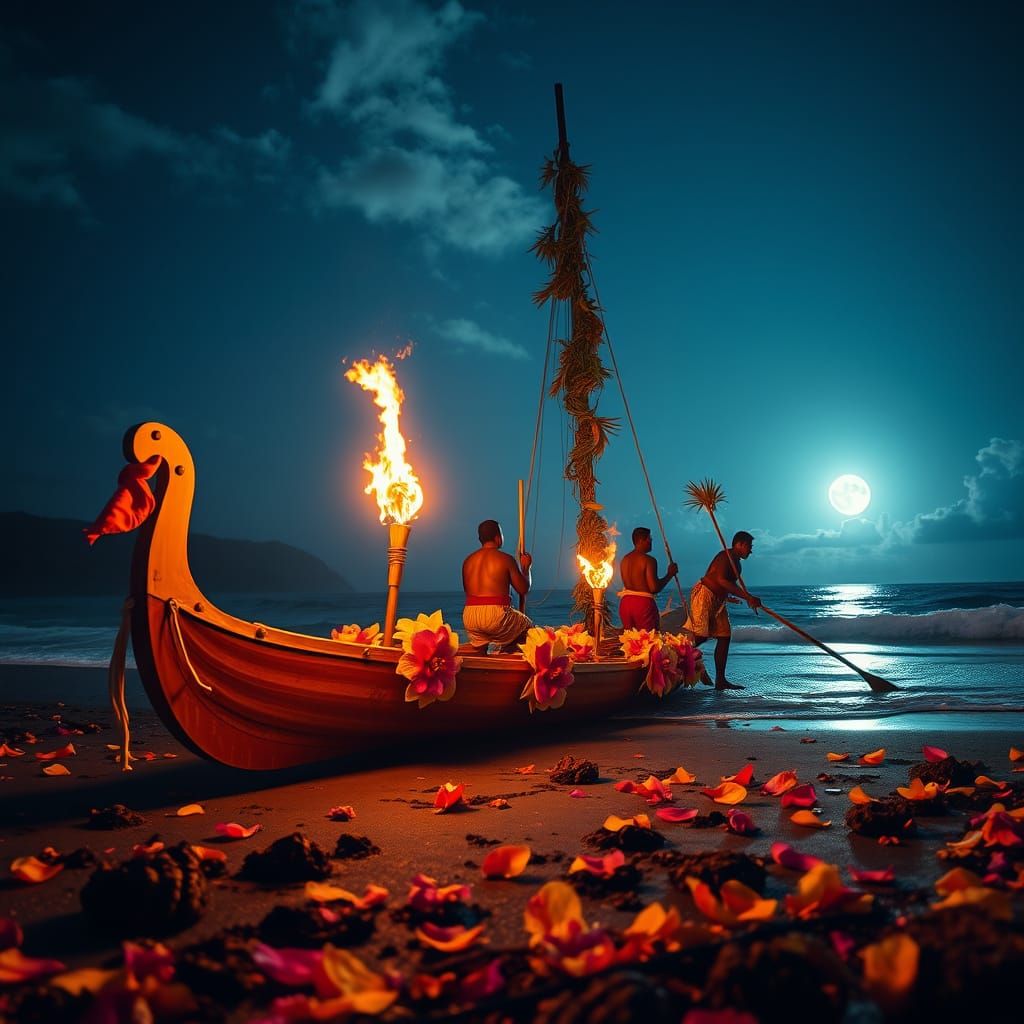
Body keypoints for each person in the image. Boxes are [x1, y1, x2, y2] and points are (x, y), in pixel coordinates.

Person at [683, 531, 762, 690]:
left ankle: (721, 680)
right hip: (705, 595)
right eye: (749, 546)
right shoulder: (725, 556)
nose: (751, 550)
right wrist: (748, 597)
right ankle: (673, 656)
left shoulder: (736, 562)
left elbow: (728, 584)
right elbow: (720, 580)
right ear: (739, 544)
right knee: (700, 636)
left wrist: (730, 596)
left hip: (718, 599)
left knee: (724, 636)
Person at [461, 519, 534, 654]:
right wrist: (526, 569)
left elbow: (467, 590)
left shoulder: (468, 561)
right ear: (498, 538)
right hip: (496, 616)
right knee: (528, 629)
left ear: (480, 539)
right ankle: (508, 656)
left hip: (470, 616)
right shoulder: (506, 559)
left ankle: (480, 657)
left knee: (481, 645)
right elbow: (523, 589)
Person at [617, 527, 678, 630]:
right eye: (649, 539)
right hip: (642, 604)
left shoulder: (625, 560)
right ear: (641, 540)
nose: (651, 542)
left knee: (630, 638)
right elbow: (654, 588)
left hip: (625, 603)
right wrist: (669, 574)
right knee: (648, 638)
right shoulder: (649, 560)